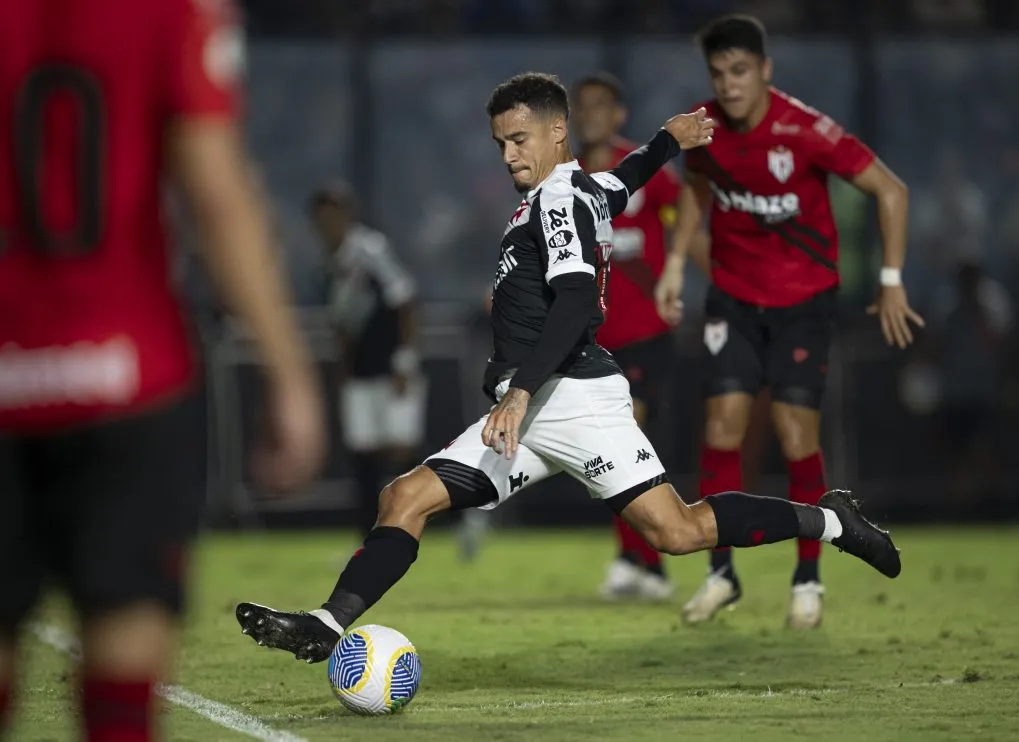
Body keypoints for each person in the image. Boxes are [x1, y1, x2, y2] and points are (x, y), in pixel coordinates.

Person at [236, 72, 900, 664]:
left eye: (520, 139)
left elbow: (578, 298)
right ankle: (328, 625)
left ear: (558, 133)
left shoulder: (557, 198)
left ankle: (833, 520)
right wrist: (668, 141)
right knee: (405, 497)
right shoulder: (577, 188)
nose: (509, 155)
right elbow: (623, 180)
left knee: (680, 531)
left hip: (571, 399)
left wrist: (520, 394)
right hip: (530, 405)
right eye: (500, 143)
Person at [0, 1, 325, 740]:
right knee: (121, 675)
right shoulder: (171, 8)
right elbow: (214, 194)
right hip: (130, 379)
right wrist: (288, 372)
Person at [654, 14, 921, 628]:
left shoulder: (805, 130)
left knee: (796, 437)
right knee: (721, 430)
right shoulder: (704, 128)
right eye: (719, 73)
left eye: (740, 71)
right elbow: (695, 188)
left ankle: (808, 579)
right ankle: (721, 575)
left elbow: (892, 191)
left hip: (802, 304)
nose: (729, 85)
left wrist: (889, 279)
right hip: (733, 300)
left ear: (765, 71)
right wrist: (675, 265)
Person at [571, 72, 697, 601]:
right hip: (593, 337)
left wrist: (675, 268)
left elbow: (688, 201)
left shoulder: (639, 169)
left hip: (645, 331)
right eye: (584, 106)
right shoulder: (566, 179)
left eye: (603, 105)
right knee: (609, 451)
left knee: (631, 438)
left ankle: (643, 564)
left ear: (619, 114)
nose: (593, 114)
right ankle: (638, 561)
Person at [310, 182, 425, 536]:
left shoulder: (370, 250)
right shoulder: (329, 263)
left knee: (400, 449)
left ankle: (444, 516)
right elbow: (340, 323)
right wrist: (342, 366)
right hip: (358, 370)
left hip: (389, 365)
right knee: (362, 451)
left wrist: (404, 360)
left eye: (335, 213)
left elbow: (404, 300)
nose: (329, 222)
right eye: (322, 216)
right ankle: (369, 534)